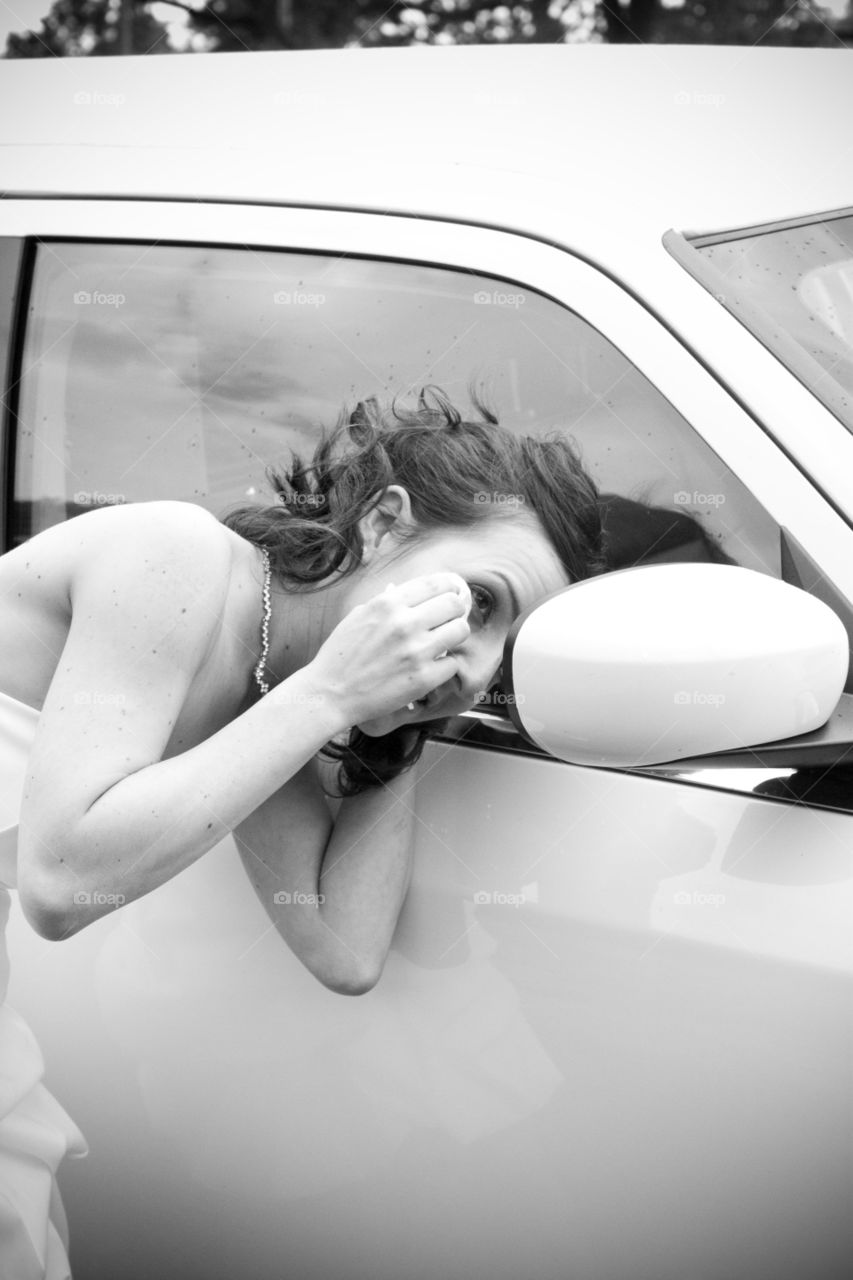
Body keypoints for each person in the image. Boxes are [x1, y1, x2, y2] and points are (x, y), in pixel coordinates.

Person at [0, 385, 604, 1277]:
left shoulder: (268, 690)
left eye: (502, 655)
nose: (476, 670)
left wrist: (400, 728)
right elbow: (58, 883)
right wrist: (332, 695)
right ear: (385, 524)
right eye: (479, 603)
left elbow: (345, 953)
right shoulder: (173, 554)